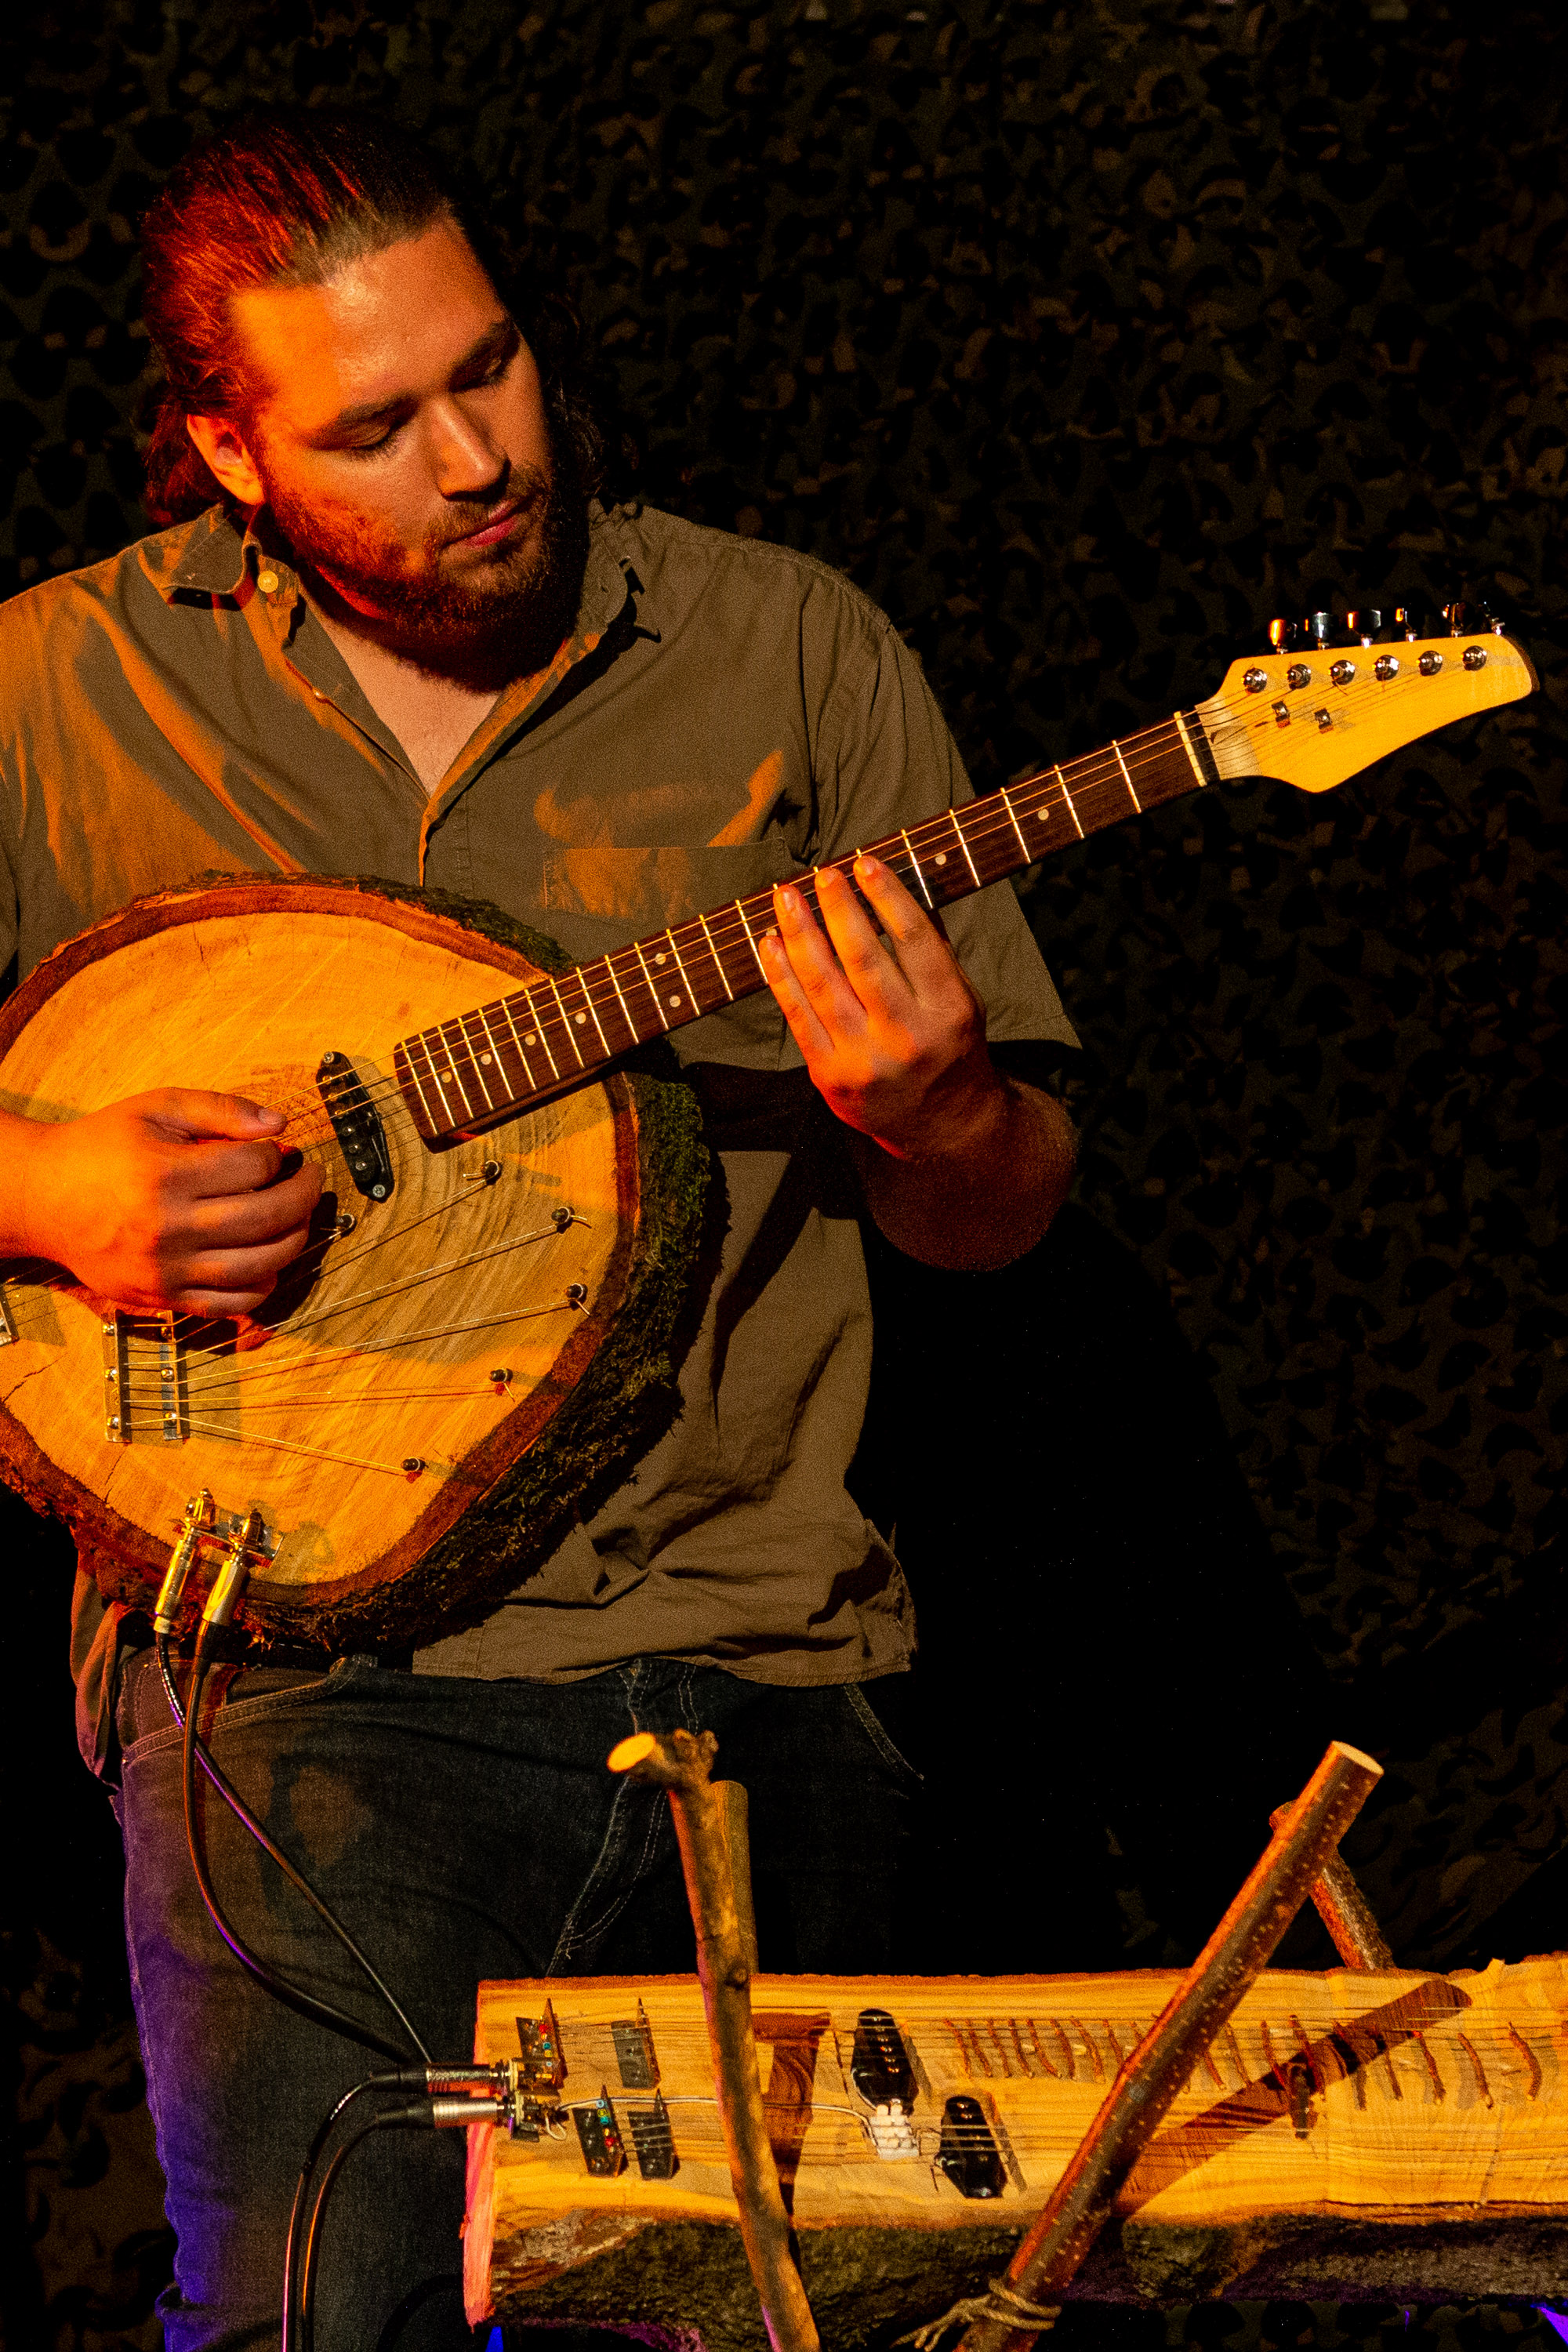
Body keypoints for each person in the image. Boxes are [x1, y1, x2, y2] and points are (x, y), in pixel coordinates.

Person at [0, 111, 1077, 2350]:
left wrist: (937, 1104)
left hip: (767, 1671)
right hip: (302, 1698)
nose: (478, 457)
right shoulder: (54, 694)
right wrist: (50, 1185)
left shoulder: (786, 649)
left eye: (488, 371)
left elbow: (999, 1222)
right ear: (223, 448)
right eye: (374, 428)